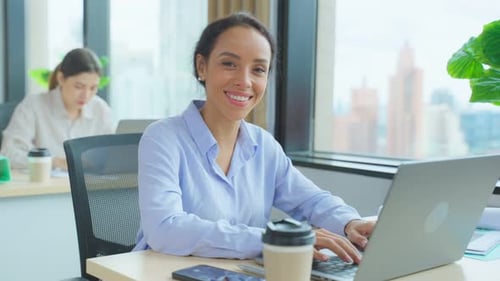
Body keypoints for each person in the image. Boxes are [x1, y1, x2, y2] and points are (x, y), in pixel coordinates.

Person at [133, 12, 375, 264]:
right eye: (229, 64)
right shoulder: (163, 137)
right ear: (202, 67)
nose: (244, 81)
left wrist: (350, 223)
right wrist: (274, 241)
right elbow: (165, 229)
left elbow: (311, 200)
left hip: (236, 273)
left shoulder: (264, 145)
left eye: (258, 69)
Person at [0, 48, 115, 170]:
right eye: (79, 86)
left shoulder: (100, 109)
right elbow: (9, 154)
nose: (86, 95)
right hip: (46, 187)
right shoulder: (33, 105)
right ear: (61, 79)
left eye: (93, 88)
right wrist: (55, 163)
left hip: (90, 185)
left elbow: (114, 154)